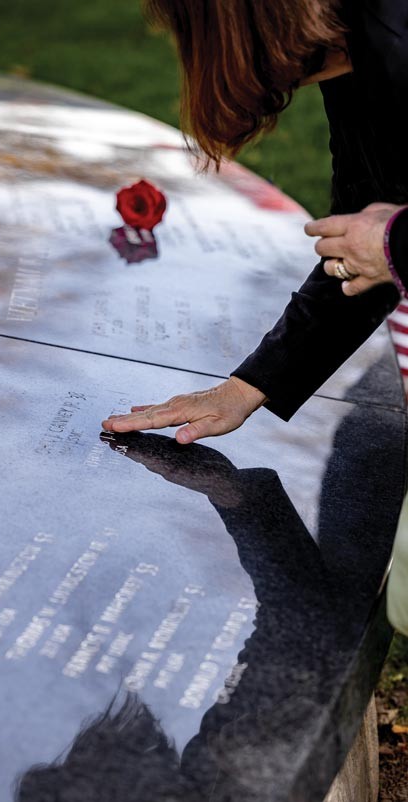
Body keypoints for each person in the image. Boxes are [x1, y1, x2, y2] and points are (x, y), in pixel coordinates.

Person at [101, 0, 408, 636]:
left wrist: (392, 245)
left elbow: (379, 238)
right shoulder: (354, 53)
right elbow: (361, 225)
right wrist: (249, 386)